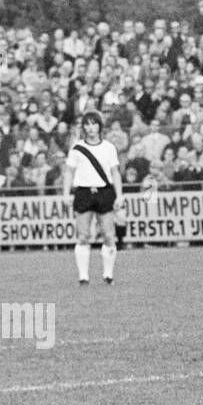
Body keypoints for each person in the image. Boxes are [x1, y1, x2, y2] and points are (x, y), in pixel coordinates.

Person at [62, 110, 123, 285]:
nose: (90, 128)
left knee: (109, 235)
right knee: (83, 235)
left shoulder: (109, 147)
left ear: (100, 126)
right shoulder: (77, 148)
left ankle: (108, 274)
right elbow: (69, 172)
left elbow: (115, 172)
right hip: (83, 192)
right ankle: (83, 276)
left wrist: (119, 195)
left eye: (93, 123)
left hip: (105, 192)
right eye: (87, 124)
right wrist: (66, 193)